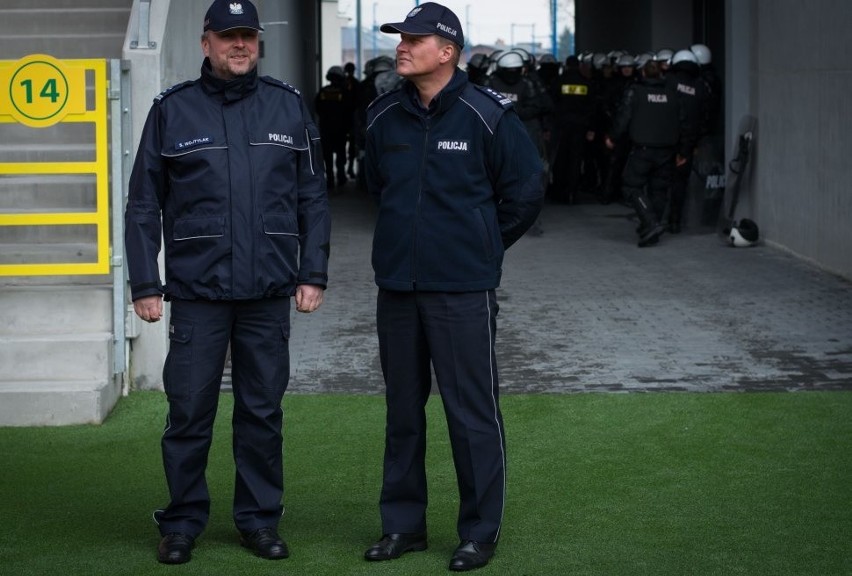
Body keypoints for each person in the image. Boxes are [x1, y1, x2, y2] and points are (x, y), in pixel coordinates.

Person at [124, 0, 330, 565]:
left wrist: (313, 273)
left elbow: (312, 197)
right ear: (206, 42)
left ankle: (258, 521)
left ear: (258, 42)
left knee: (262, 412)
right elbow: (143, 203)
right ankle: (183, 521)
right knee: (189, 410)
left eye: (248, 36)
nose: (239, 45)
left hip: (267, 293)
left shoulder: (287, 107)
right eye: (227, 36)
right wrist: (146, 282)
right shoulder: (173, 110)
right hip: (198, 295)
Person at [362, 3, 544, 572]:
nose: (402, 46)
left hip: (462, 289)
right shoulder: (381, 116)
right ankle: (403, 527)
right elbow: (378, 186)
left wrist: (483, 246)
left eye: (414, 39)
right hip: (397, 287)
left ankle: (478, 532)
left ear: (447, 51)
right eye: (399, 37)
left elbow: (525, 192)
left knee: (471, 413)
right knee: (402, 412)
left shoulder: (488, 115)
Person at [605, 59, 694, 246]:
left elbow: (623, 118)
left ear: (643, 73)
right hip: (667, 151)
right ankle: (651, 224)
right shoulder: (673, 95)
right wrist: (683, 152)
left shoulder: (635, 92)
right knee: (659, 189)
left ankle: (650, 222)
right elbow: (685, 124)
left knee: (631, 187)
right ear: (661, 74)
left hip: (642, 150)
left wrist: (612, 137)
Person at [315, 65, 353, 188]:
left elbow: (317, 107)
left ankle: (330, 179)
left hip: (326, 128)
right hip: (340, 129)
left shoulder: (323, 91)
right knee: (341, 153)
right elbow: (349, 110)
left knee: (327, 155)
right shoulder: (344, 92)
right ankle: (341, 177)